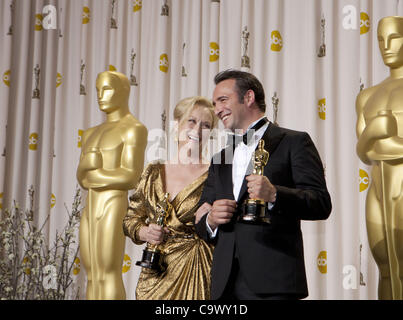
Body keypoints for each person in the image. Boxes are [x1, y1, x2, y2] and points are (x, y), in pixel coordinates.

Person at [195, 69, 332, 300]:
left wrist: (275, 195)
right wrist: (210, 220)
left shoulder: (294, 142)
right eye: (214, 103)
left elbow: (320, 203)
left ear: (248, 97)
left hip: (274, 281)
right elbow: (201, 216)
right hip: (224, 285)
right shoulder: (219, 158)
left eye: (223, 100)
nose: (217, 110)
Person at [123, 96, 218, 300]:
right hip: (154, 273)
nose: (198, 129)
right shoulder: (152, 172)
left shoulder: (216, 176)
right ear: (177, 125)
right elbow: (130, 220)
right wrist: (145, 232)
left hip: (197, 271)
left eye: (206, 125)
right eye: (191, 121)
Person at [76, 71, 147, 300]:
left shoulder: (133, 128)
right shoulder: (90, 133)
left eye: (106, 89)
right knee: (92, 274)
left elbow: (132, 177)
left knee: (108, 272)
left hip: (113, 203)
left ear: (124, 91)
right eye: (97, 89)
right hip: (91, 206)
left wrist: (93, 173)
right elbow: (82, 178)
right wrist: (89, 170)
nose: (100, 95)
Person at [356, 16, 403, 300]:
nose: (386, 46)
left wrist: (382, 141)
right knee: (385, 265)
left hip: (401, 184)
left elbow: (373, 148)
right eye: (380, 40)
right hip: (377, 189)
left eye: (394, 37)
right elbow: (363, 151)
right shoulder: (367, 96)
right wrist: (373, 131)